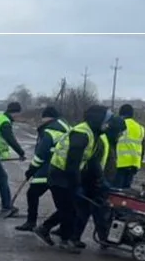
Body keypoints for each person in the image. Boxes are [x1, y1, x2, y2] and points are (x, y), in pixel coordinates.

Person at [35, 104, 110, 251]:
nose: (107, 125)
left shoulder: (92, 134)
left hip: (65, 174)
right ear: (97, 120)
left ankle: (45, 229)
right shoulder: (81, 134)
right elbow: (72, 164)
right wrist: (76, 185)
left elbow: (92, 160)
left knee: (68, 208)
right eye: (105, 121)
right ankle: (64, 241)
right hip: (59, 175)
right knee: (70, 210)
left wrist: (101, 180)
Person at [14, 106, 71, 232]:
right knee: (62, 203)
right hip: (63, 171)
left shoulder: (50, 130)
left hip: (47, 171)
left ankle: (31, 222)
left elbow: (41, 153)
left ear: (47, 117)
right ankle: (64, 228)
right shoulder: (67, 127)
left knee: (32, 194)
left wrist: (31, 169)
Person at [112, 104, 145, 189]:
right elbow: (143, 147)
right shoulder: (140, 128)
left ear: (121, 113)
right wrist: (139, 163)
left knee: (116, 191)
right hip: (134, 164)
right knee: (126, 191)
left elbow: (112, 141)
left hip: (120, 163)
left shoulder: (120, 123)